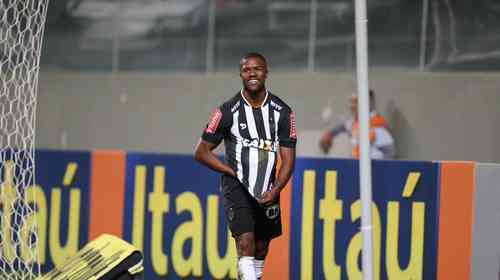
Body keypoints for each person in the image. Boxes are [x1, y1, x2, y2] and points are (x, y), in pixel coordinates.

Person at [194, 52, 296, 280]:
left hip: (268, 190)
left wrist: (276, 190)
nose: (252, 74)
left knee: (261, 248)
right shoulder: (227, 111)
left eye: (257, 69)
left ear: (266, 72)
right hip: (237, 186)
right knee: (245, 243)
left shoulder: (283, 112)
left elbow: (289, 160)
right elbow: (201, 152)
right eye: (247, 70)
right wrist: (230, 171)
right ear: (240, 74)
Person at [319, 90, 395, 159]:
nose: (352, 105)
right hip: (359, 166)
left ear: (368, 102)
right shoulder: (352, 123)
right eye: (351, 102)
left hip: (377, 168)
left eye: (356, 101)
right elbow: (333, 132)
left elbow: (388, 153)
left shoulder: (378, 123)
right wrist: (328, 136)